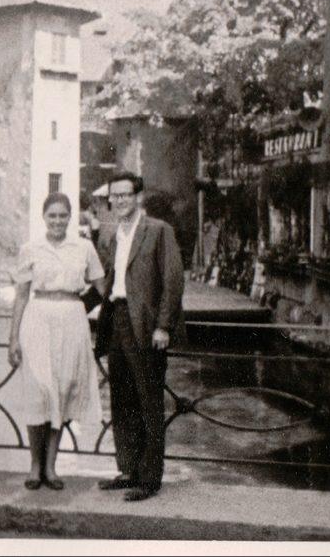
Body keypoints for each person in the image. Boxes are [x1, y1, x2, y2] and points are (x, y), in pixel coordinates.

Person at [97, 171, 184, 502]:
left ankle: (149, 479)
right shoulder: (113, 234)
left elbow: (173, 281)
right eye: (114, 196)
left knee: (148, 401)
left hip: (146, 326)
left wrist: (164, 326)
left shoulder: (158, 231)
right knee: (121, 398)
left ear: (138, 197)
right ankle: (128, 470)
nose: (119, 200)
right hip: (117, 319)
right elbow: (109, 281)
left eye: (125, 195)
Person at [9, 192, 105, 491]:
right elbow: (21, 296)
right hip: (38, 319)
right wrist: (13, 339)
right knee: (38, 392)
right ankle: (34, 465)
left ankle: (51, 467)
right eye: (52, 215)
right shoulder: (30, 249)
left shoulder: (84, 247)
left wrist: (88, 308)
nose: (58, 221)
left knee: (62, 392)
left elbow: (103, 287)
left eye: (63, 215)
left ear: (70, 217)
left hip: (72, 320)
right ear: (44, 217)